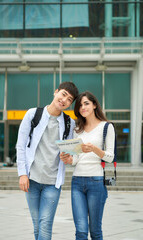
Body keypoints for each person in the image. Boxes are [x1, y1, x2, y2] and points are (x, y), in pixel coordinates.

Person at [16, 82, 79, 240]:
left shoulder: (69, 123)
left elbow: (71, 154)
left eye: (69, 99)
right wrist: (22, 174)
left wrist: (68, 157)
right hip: (32, 180)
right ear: (56, 92)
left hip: (53, 182)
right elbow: (21, 146)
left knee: (45, 224)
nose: (64, 100)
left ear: (70, 104)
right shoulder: (33, 114)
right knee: (37, 224)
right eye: (63, 94)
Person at [60, 91, 115, 240]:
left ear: (94, 105)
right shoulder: (78, 129)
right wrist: (68, 159)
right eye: (80, 105)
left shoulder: (106, 127)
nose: (83, 107)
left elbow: (110, 157)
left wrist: (95, 149)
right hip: (77, 182)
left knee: (95, 231)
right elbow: (76, 159)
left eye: (86, 104)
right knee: (81, 231)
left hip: (96, 182)